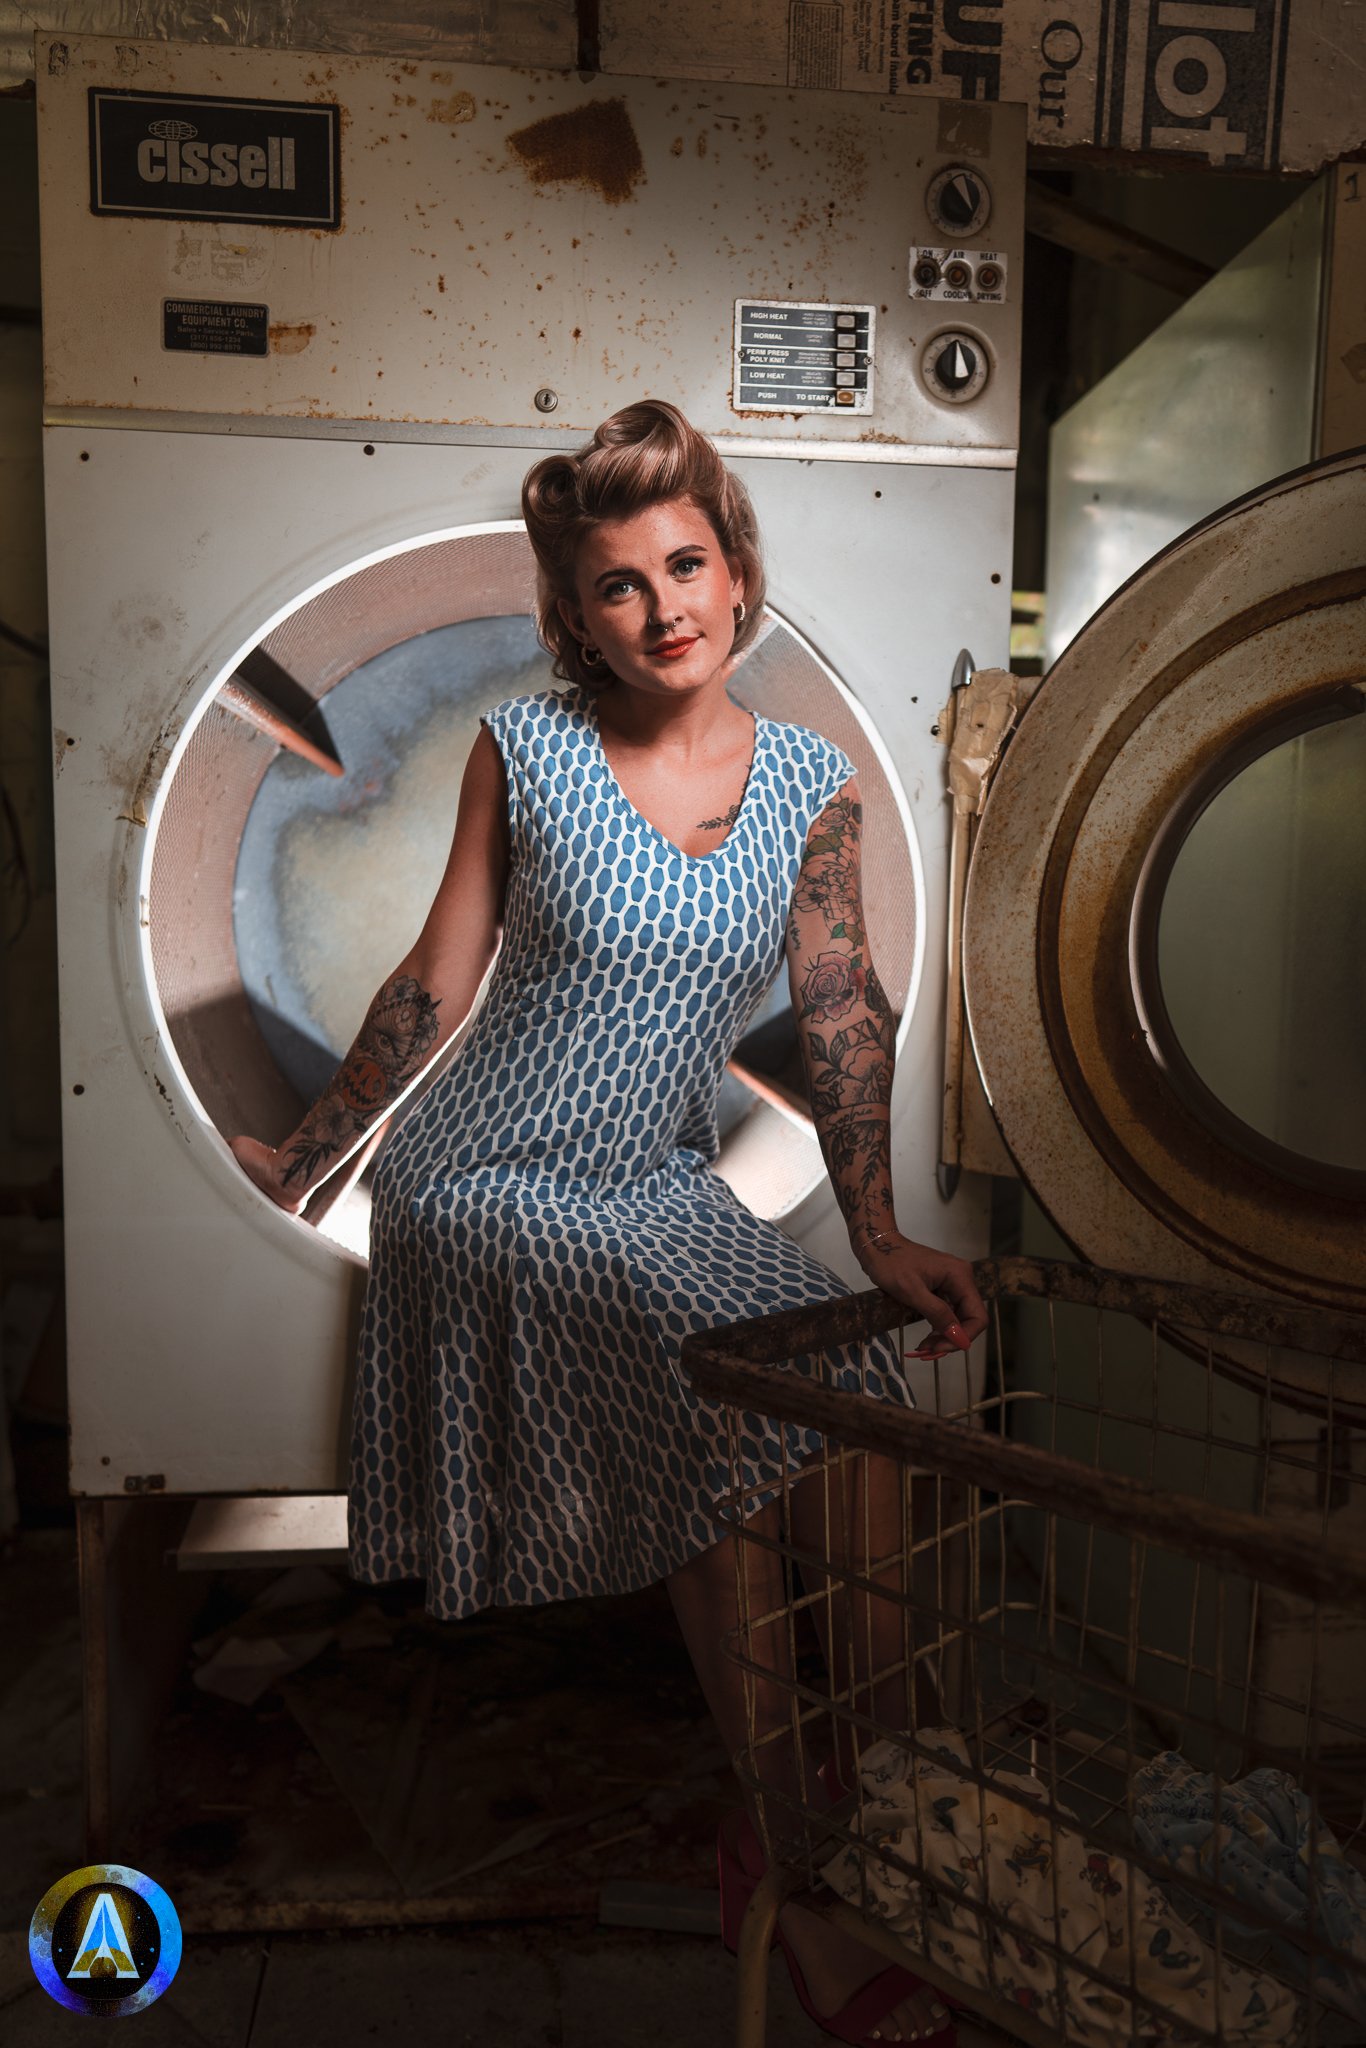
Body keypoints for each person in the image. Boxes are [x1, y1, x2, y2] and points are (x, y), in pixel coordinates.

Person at [232, 399, 987, 2044]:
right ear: (572, 614)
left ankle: (893, 1817)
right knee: (728, 1433)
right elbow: (435, 982)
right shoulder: (531, 750)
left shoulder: (811, 783)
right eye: (618, 586)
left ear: (733, 567)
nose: (662, 608)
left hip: (654, 1181)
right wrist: (312, 1150)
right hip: (489, 1179)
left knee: (859, 1412)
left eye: (684, 564)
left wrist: (874, 1239)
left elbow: (840, 1015)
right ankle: (798, 1872)